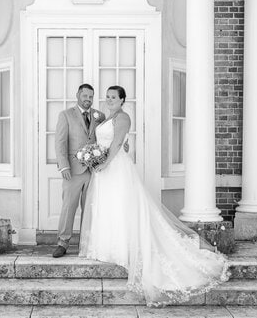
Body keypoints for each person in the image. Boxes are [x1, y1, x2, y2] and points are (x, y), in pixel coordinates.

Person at [80, 85, 230, 306]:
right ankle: (106, 247)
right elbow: (114, 143)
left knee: (120, 206)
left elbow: (117, 144)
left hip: (115, 168)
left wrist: (104, 163)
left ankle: (122, 250)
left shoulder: (123, 117)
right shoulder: (107, 117)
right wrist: (94, 157)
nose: (110, 99)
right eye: (108, 96)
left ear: (122, 100)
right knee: (107, 207)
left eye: (114, 97)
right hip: (104, 169)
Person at [52, 84, 105, 258]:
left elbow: (105, 139)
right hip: (72, 170)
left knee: (90, 208)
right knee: (69, 207)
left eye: (91, 96)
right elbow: (60, 143)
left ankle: (86, 243)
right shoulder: (66, 115)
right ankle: (63, 242)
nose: (88, 99)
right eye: (85, 96)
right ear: (77, 95)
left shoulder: (100, 116)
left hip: (93, 170)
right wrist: (64, 166)